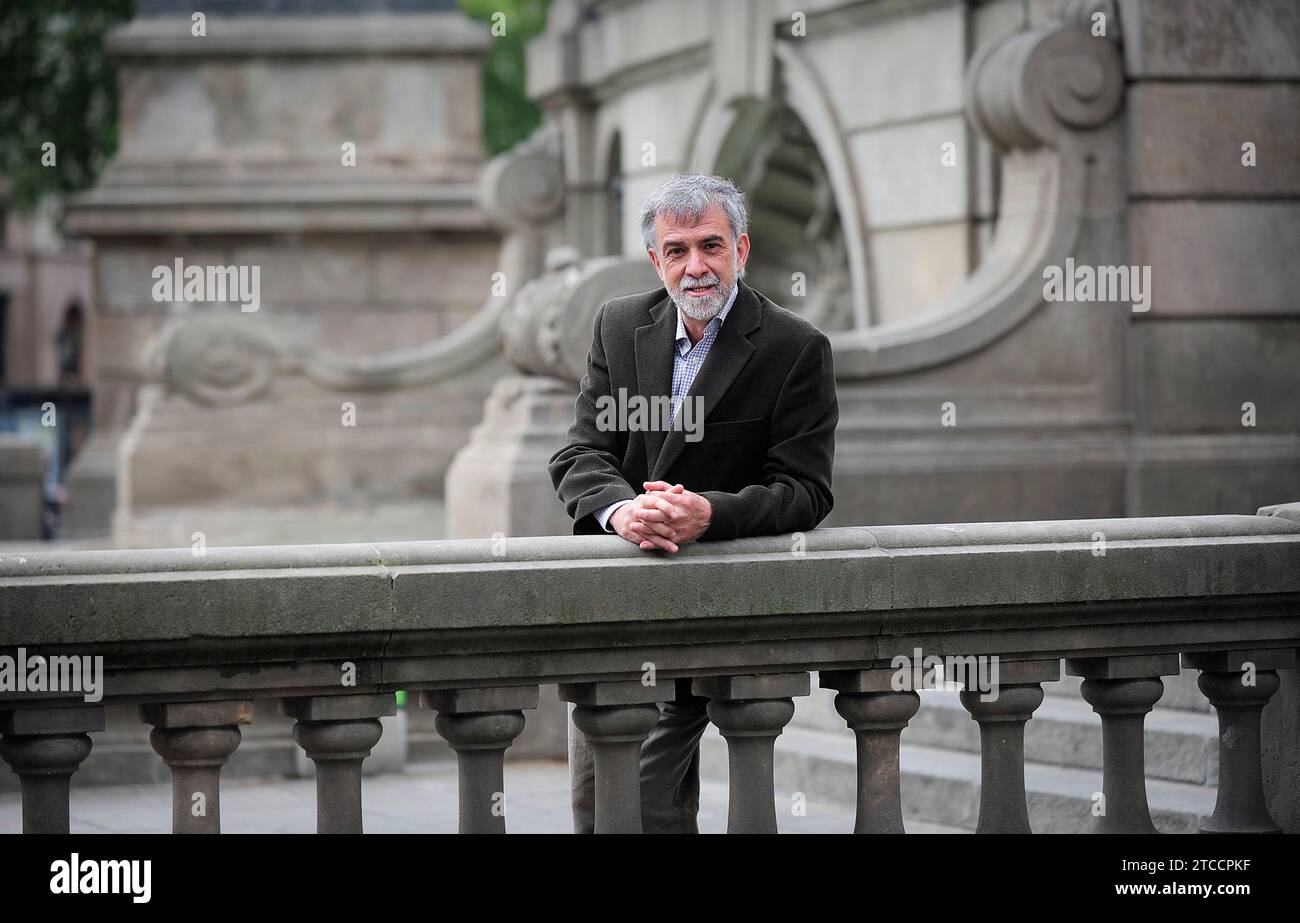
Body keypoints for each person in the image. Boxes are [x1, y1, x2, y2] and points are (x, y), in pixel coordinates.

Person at [548, 172, 839, 833]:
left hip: (704, 610)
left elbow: (806, 490)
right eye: (676, 250)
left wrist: (707, 512)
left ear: (742, 249)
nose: (696, 265)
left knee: (649, 809)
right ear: (656, 259)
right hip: (609, 610)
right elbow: (580, 454)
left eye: (711, 245)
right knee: (593, 808)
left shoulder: (795, 349)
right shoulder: (619, 325)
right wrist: (622, 511)